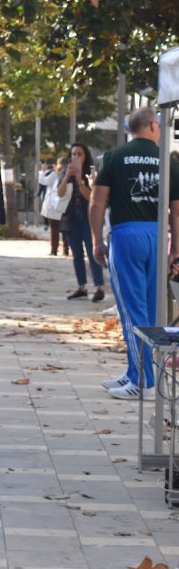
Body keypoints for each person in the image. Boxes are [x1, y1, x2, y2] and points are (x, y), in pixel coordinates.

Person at [91, 107, 179, 399]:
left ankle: (143, 380)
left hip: (127, 234)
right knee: (153, 310)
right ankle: (136, 371)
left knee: (132, 311)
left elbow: (97, 204)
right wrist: (175, 250)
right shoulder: (169, 162)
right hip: (157, 233)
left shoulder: (114, 157)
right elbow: (177, 214)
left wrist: (96, 240)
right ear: (153, 125)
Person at [57, 143, 106, 302]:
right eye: (73, 154)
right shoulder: (65, 170)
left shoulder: (91, 173)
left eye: (79, 154)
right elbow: (60, 193)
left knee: (93, 252)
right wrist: (67, 176)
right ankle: (81, 287)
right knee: (77, 254)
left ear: (85, 156)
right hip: (71, 217)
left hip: (88, 216)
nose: (76, 157)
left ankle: (99, 287)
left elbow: (91, 197)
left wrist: (79, 179)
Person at [40, 158, 69, 255]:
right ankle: (65, 250)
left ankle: (54, 250)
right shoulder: (66, 175)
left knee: (54, 229)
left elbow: (43, 181)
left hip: (54, 206)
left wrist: (43, 171)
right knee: (64, 230)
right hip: (64, 206)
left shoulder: (54, 175)